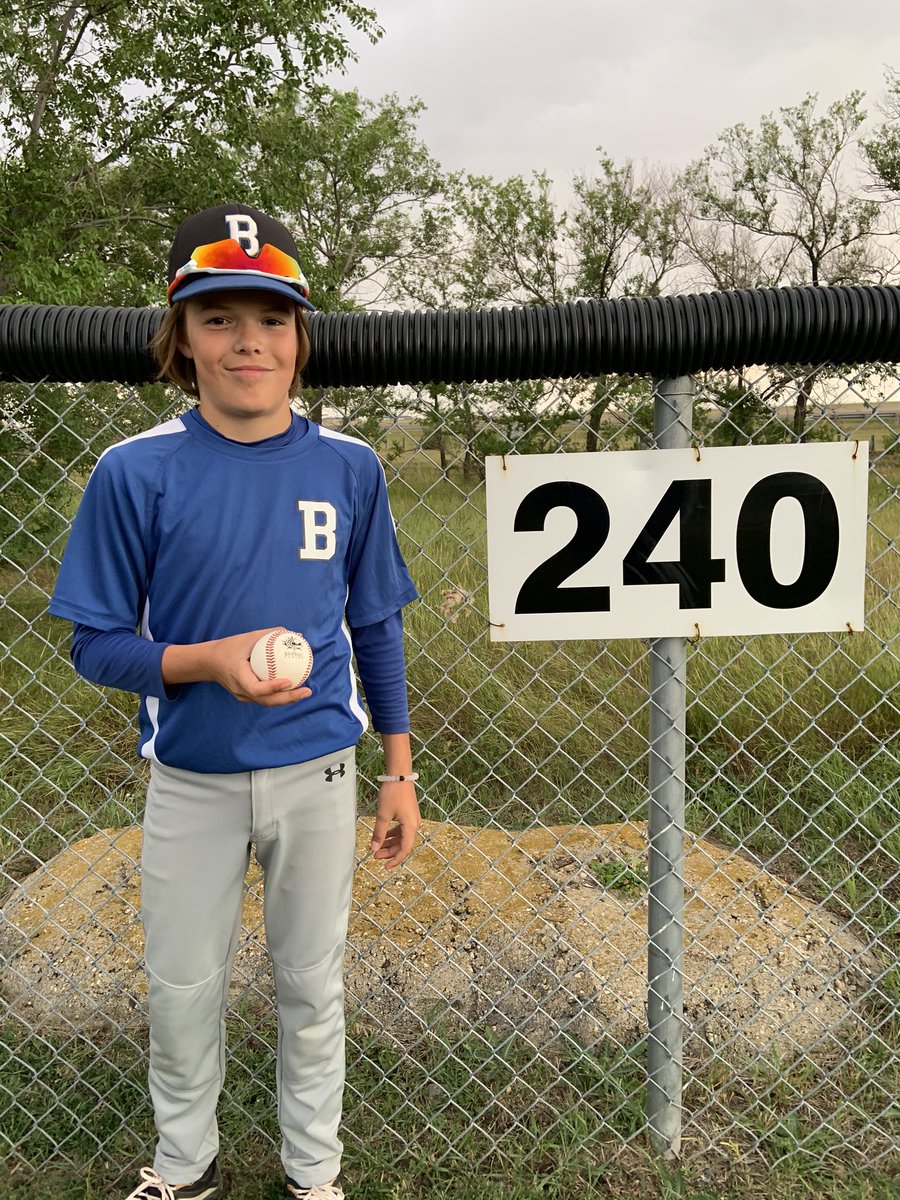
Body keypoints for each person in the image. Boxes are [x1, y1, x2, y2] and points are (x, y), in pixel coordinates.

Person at [49, 203, 421, 1200]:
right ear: (182, 338)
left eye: (272, 318)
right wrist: (207, 662)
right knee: (181, 989)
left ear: (300, 339)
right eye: (218, 318)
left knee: (311, 985)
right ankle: (185, 1169)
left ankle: (314, 1174)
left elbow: (377, 626)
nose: (248, 340)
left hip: (319, 771)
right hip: (193, 776)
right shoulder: (136, 471)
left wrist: (398, 769)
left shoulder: (349, 466)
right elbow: (95, 644)